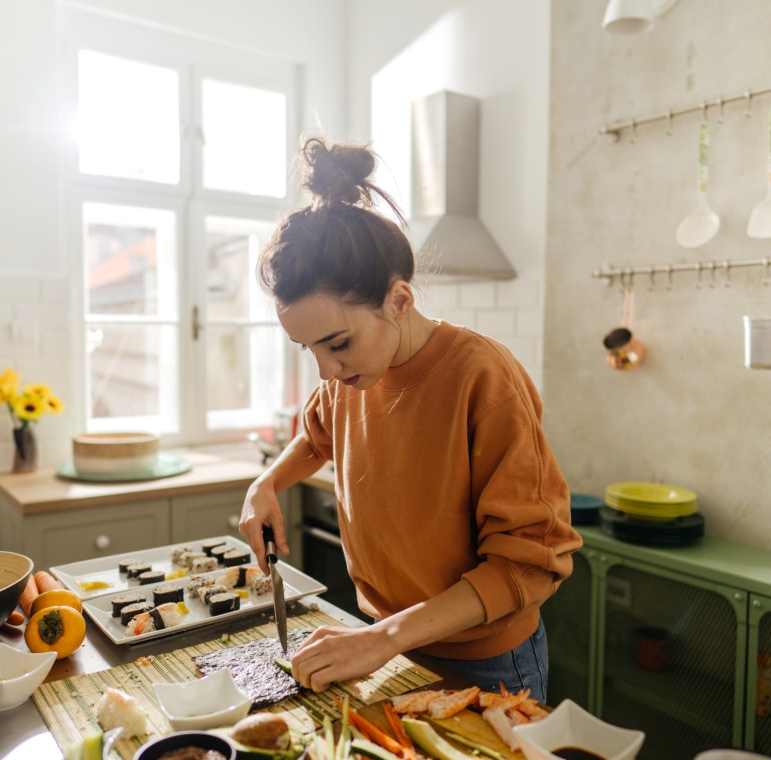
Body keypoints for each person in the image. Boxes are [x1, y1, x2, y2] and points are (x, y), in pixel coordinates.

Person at [239, 136, 581, 703]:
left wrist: (380, 639)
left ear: (399, 300)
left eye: (337, 343)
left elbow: (530, 565)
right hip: (389, 644)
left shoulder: (482, 378)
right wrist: (268, 481)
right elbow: (316, 433)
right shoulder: (355, 375)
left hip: (487, 663)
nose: (326, 372)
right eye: (309, 350)